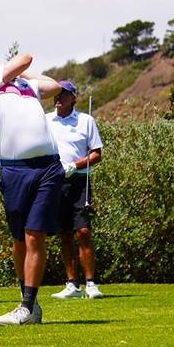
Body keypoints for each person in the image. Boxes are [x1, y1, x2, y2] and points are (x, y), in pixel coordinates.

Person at [0, 45, 63, 325]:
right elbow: (27, 56)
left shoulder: (25, 84)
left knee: (34, 235)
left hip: (48, 167)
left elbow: (54, 85)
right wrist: (7, 68)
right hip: (15, 170)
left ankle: (27, 307)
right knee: (20, 241)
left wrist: (21, 75)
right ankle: (28, 302)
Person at [46, 80, 104, 299]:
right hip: (56, 181)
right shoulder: (46, 120)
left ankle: (91, 283)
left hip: (80, 180)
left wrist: (75, 165)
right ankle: (72, 285)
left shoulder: (85, 120)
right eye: (56, 95)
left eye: (63, 95)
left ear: (73, 98)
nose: (58, 98)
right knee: (64, 234)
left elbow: (96, 154)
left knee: (83, 232)